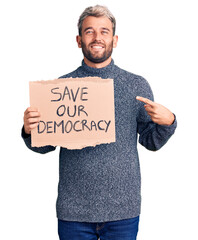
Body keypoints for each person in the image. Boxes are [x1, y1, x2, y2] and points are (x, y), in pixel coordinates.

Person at [22, 5, 177, 240]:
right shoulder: (59, 88)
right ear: (78, 39)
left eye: (104, 32)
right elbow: (44, 146)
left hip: (122, 209)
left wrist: (168, 122)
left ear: (114, 40)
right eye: (89, 31)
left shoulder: (136, 85)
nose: (97, 38)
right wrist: (29, 129)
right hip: (73, 211)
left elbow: (150, 142)